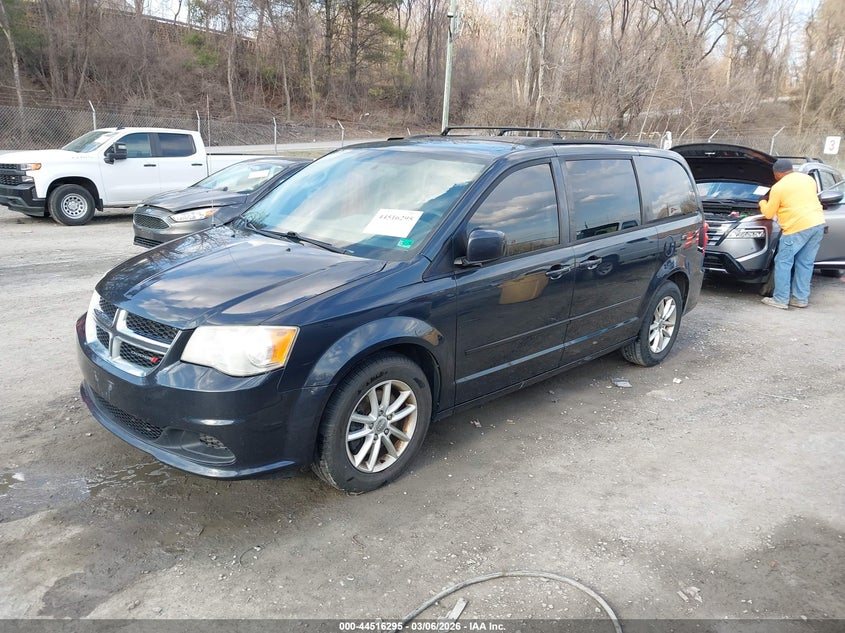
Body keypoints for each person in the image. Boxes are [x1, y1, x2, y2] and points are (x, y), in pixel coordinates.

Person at [758, 158, 826, 309]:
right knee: (805, 263)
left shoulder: (779, 187)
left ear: (777, 173)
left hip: (796, 227)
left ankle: (780, 299)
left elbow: (769, 214)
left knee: (783, 262)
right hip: (817, 224)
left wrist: (762, 201)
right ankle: (800, 299)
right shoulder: (808, 180)